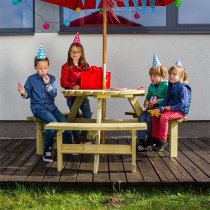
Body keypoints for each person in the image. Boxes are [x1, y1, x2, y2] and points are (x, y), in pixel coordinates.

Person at [18, 45, 73, 163]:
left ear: (48, 67)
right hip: (38, 108)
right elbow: (28, 94)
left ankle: (69, 146)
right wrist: (23, 93)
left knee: (64, 123)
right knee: (53, 123)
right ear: (35, 68)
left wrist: (48, 84)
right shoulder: (31, 79)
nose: (43, 71)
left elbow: (53, 94)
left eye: (45, 68)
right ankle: (47, 150)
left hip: (51, 107)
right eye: (40, 68)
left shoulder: (51, 79)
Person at [151, 59, 192, 152]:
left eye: (174, 74)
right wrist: (159, 107)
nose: (171, 76)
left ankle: (162, 140)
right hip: (171, 108)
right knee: (155, 114)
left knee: (164, 117)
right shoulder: (171, 86)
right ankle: (155, 137)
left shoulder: (183, 88)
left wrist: (172, 108)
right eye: (170, 74)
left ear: (181, 77)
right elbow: (166, 99)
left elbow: (184, 103)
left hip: (180, 111)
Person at [60, 32, 92, 144]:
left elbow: (89, 79)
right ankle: (77, 138)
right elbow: (62, 82)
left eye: (77, 52)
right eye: (73, 51)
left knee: (88, 114)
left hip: (82, 95)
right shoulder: (66, 66)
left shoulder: (85, 66)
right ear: (69, 52)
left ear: (81, 53)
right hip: (71, 95)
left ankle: (83, 136)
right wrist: (73, 86)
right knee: (74, 115)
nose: (75, 54)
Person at [137, 54, 168, 152]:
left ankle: (151, 139)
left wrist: (157, 101)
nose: (152, 78)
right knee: (142, 117)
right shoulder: (151, 86)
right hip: (151, 108)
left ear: (162, 75)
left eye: (154, 76)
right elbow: (147, 97)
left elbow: (168, 99)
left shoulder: (166, 85)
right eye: (151, 75)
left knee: (149, 118)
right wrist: (146, 102)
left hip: (160, 109)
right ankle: (141, 141)